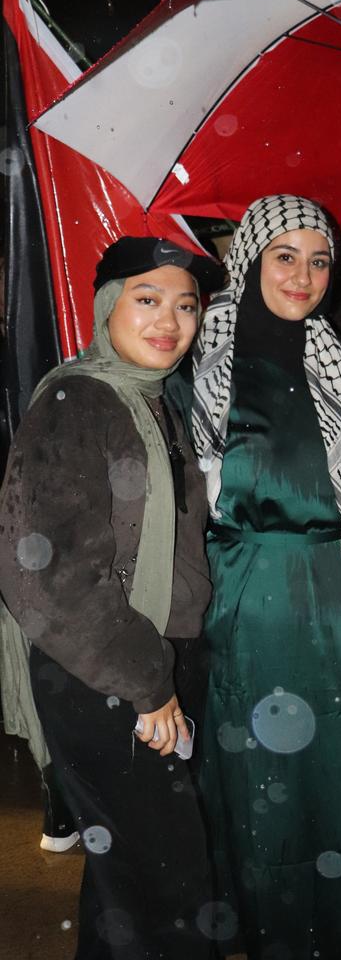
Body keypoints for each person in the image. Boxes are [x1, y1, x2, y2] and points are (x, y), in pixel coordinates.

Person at [186, 194, 341, 959]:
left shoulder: (333, 355)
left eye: (320, 261)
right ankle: (276, 929)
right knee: (266, 773)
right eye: (287, 257)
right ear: (250, 259)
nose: (304, 276)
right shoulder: (204, 354)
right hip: (255, 596)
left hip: (337, 590)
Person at [0, 236, 226, 959]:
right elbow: (50, 571)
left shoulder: (152, 400)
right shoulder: (79, 399)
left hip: (152, 664)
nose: (170, 321)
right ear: (106, 308)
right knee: (169, 890)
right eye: (148, 299)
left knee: (123, 883)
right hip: (105, 677)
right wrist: (147, 684)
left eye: (185, 306)